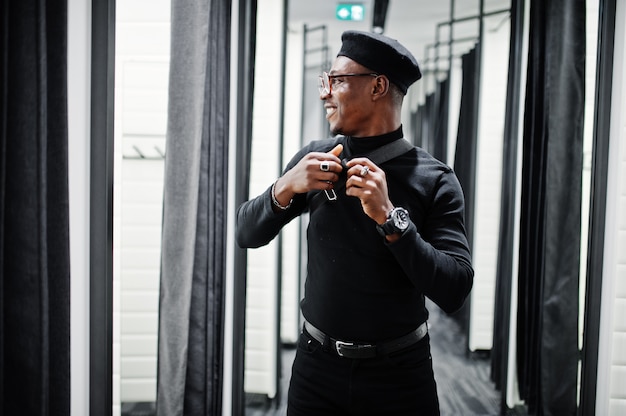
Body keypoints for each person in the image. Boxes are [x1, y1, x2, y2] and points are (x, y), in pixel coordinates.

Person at [236, 30, 473, 416]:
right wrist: (284, 187)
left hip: (400, 377)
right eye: (324, 81)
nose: (325, 92)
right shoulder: (316, 158)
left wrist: (391, 219)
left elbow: (455, 289)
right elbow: (246, 233)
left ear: (378, 86)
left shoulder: (434, 179)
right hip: (316, 370)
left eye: (337, 80)